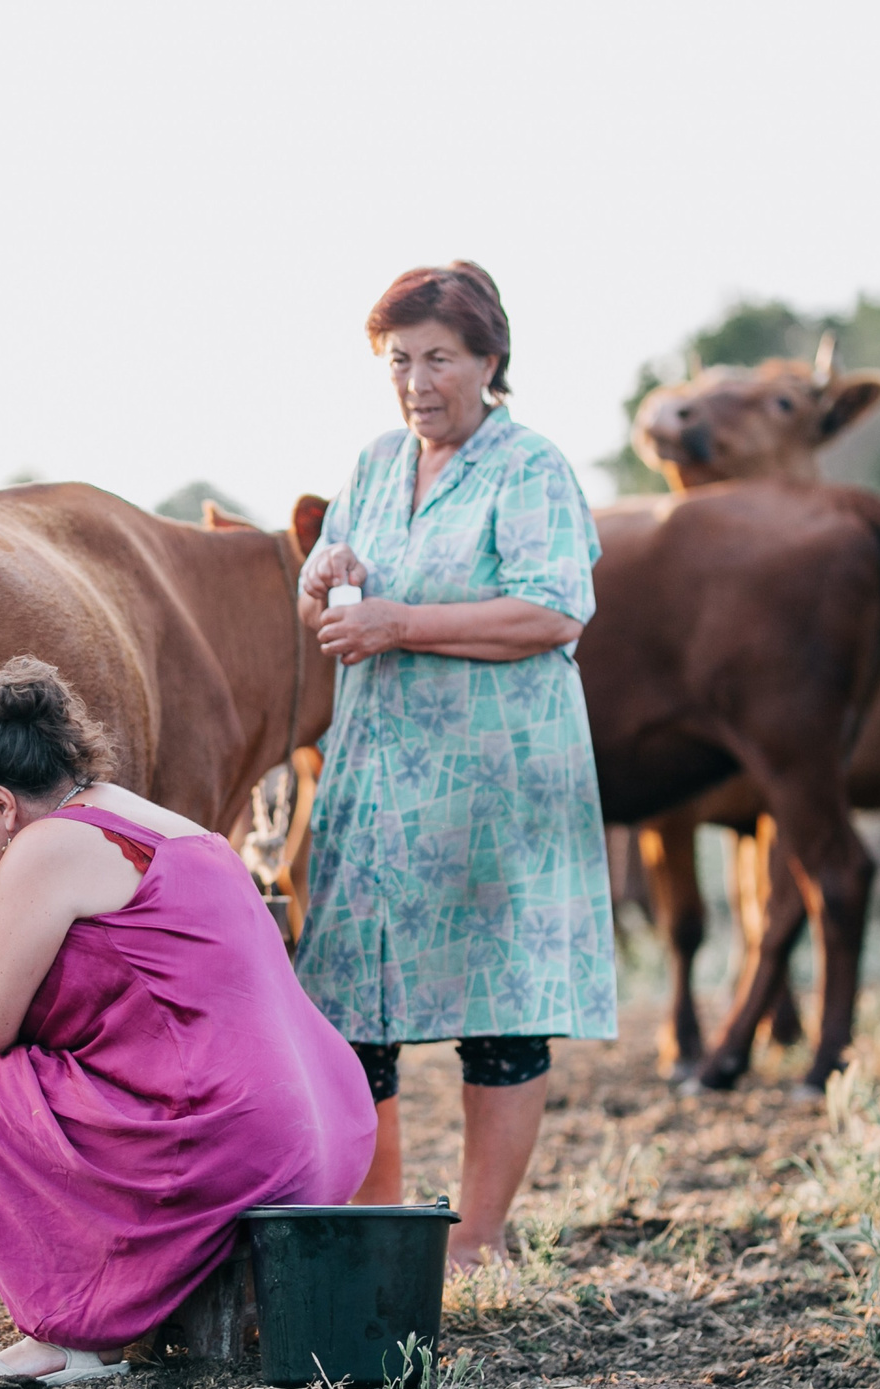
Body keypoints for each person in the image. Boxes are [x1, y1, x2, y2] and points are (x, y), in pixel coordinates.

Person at [0, 658, 375, 1385]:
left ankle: (69, 1328)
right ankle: (144, 1294)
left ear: (1, 803)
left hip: (223, 1138)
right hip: (323, 1134)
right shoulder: (154, 820)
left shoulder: (47, 846)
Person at [293, 260, 618, 1270]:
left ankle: (476, 1243)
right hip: (378, 777)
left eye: (438, 357)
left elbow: (553, 609)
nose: (416, 380)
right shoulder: (374, 464)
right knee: (352, 1009)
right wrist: (323, 577)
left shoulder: (530, 470)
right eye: (398, 359)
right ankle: (380, 1230)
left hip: (498, 784)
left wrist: (402, 621)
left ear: (489, 360)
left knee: (501, 1013)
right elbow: (333, 609)